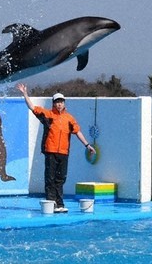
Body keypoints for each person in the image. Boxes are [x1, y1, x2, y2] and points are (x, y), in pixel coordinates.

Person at [17, 83, 94, 213]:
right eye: (57, 102)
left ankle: (60, 203)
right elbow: (32, 107)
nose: (59, 104)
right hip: (50, 151)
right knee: (50, 178)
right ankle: (51, 203)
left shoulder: (69, 118)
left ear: (64, 103)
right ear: (53, 103)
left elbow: (78, 132)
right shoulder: (47, 115)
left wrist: (87, 145)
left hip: (64, 152)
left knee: (61, 178)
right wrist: (25, 94)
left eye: (61, 102)